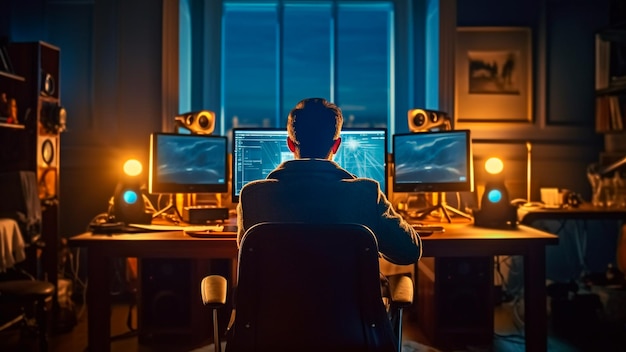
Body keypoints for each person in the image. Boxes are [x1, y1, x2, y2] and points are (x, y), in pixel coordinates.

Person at [236, 97, 421, 270]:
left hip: (275, 305)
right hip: (349, 305)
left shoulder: (253, 196)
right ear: (336, 145)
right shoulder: (365, 194)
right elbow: (409, 251)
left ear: (290, 145)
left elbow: (249, 258)